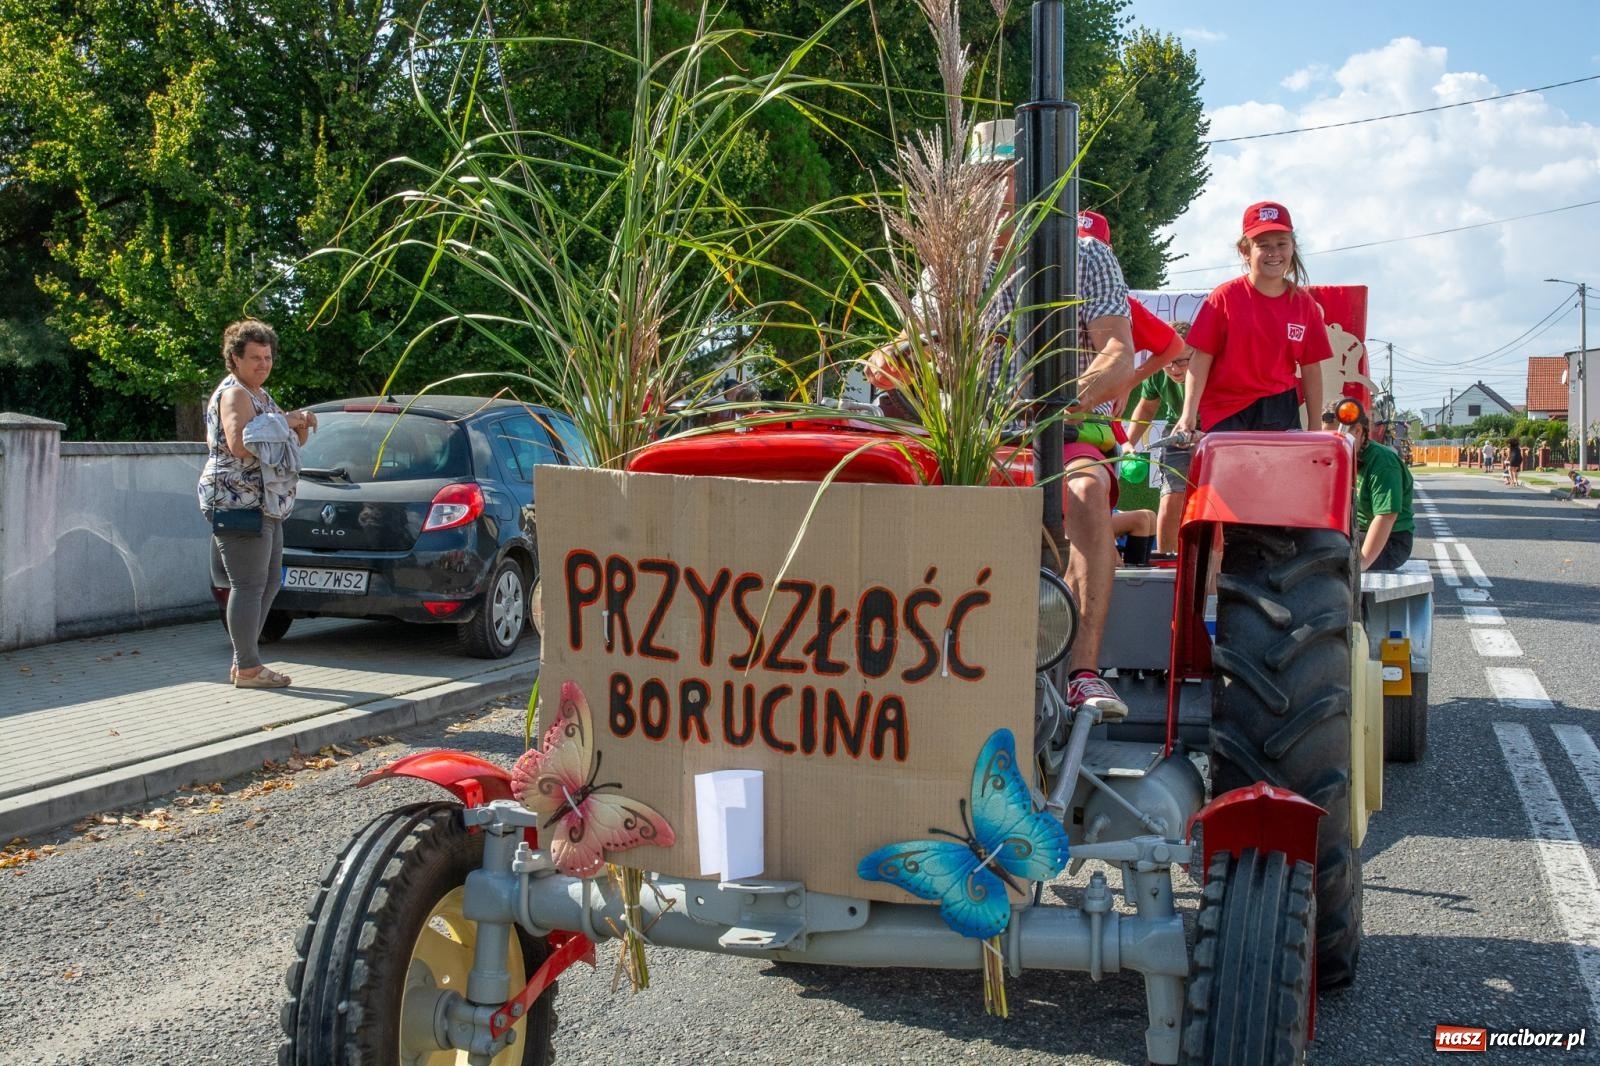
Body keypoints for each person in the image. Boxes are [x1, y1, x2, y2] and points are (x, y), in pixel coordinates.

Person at [863, 122, 1140, 718]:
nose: (993, 189)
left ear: (1033, 180)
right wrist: (893, 361)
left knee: (1085, 493)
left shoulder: (1083, 255)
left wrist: (1060, 399)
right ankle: (913, 655)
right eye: (982, 177)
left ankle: (1082, 672)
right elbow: (923, 350)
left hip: (1059, 436)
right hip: (973, 441)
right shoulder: (949, 266)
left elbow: (1119, 353)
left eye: (1005, 176)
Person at [197, 319, 317, 688]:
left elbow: (282, 443)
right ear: (234, 358)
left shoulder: (261, 395)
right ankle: (248, 666)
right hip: (237, 500)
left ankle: (244, 662)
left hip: (266, 502)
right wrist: (288, 421)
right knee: (249, 584)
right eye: (255, 358)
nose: (263, 364)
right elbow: (239, 444)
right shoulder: (235, 394)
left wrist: (296, 426)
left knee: (269, 582)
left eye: (267, 357)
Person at [1174, 201, 1333, 438]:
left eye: (1282, 244)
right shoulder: (1224, 297)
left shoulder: (1304, 304)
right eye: (1263, 245)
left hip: (1280, 408)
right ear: (1245, 250)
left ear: (1293, 247)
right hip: (1226, 409)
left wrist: (1315, 429)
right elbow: (1201, 358)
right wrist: (1188, 414)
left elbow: (1311, 368)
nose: (1274, 252)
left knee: (1279, 464)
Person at [1126, 321, 1194, 554]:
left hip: (1215, 434)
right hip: (1177, 436)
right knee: (1171, 498)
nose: (1174, 369)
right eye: (1169, 362)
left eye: (1182, 361)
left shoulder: (1212, 367)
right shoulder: (1157, 371)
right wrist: (1127, 443)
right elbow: (1146, 408)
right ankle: (1167, 560)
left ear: (1197, 353)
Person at [1334, 403, 1414, 570]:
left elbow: (1386, 516)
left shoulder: (1383, 462)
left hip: (1391, 542)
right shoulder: (1341, 458)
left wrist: (1361, 564)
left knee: (1327, 557)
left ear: (1357, 431)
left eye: (1335, 439)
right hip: (1354, 532)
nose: (1330, 446)